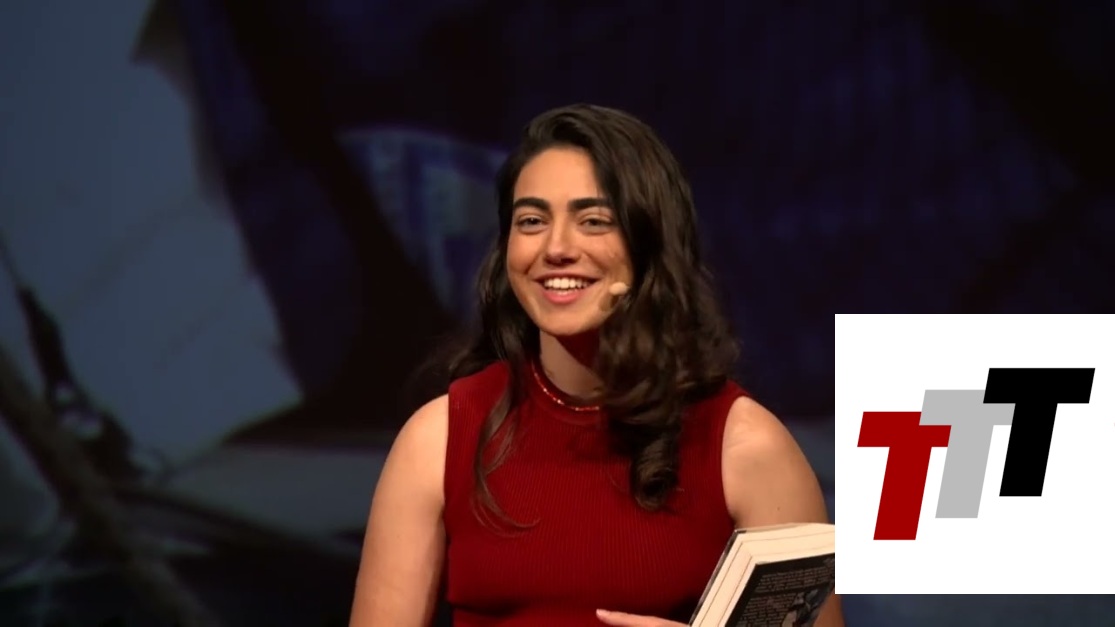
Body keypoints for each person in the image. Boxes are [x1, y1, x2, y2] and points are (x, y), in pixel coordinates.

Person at [348, 104, 843, 627]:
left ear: (649, 244)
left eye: (594, 221)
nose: (557, 248)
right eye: (532, 221)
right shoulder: (440, 437)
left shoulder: (747, 448)